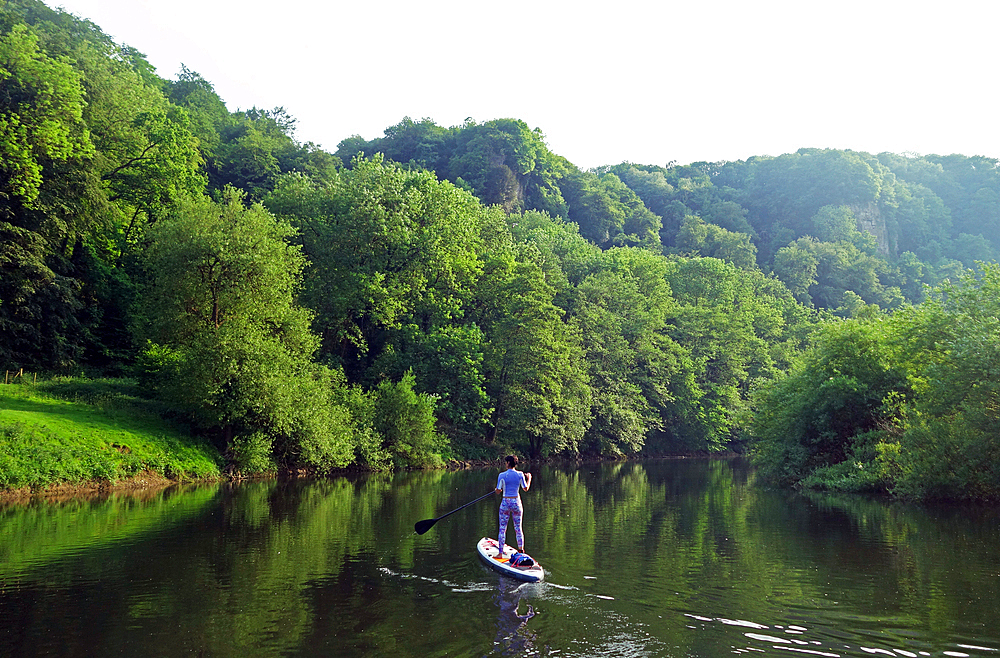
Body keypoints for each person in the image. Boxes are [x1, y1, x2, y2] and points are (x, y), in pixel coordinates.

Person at [495, 455, 532, 553]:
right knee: (518, 528)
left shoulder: (501, 475)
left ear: (508, 463)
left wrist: (497, 489)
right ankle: (521, 550)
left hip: (505, 503)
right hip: (516, 503)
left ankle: (500, 553)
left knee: (502, 528)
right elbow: (525, 488)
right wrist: (529, 478)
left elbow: (498, 491)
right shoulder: (520, 475)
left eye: (506, 462)